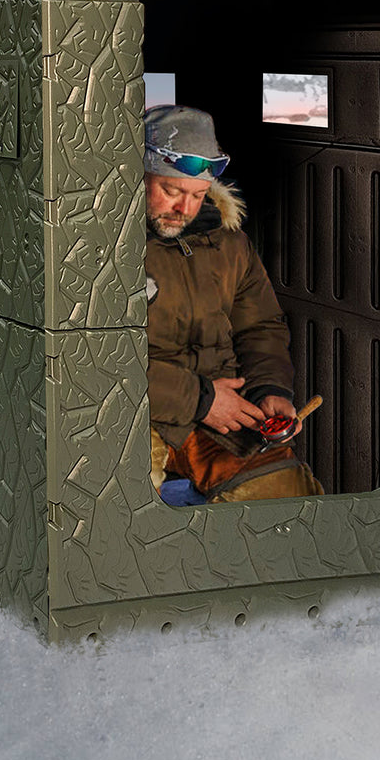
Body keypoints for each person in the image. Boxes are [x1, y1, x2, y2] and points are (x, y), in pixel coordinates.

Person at [143, 104, 324, 504]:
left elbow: (259, 327)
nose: (184, 209)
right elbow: (92, 357)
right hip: (135, 412)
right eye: (171, 190)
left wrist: (270, 388)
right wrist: (199, 399)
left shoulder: (231, 244)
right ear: (139, 174)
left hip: (224, 414)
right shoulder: (101, 241)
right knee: (118, 515)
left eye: (198, 195)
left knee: (285, 502)